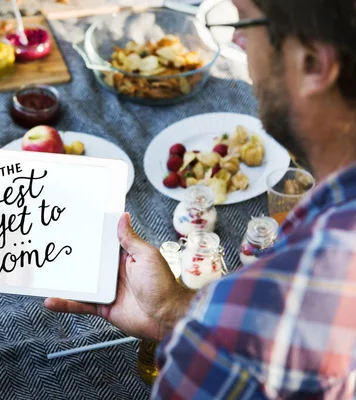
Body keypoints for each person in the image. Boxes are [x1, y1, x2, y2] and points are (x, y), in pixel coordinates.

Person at [47, 0, 356, 397]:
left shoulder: (253, 322)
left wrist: (213, 329)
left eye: (246, 22)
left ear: (313, 63)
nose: (239, 42)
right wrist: (177, 311)